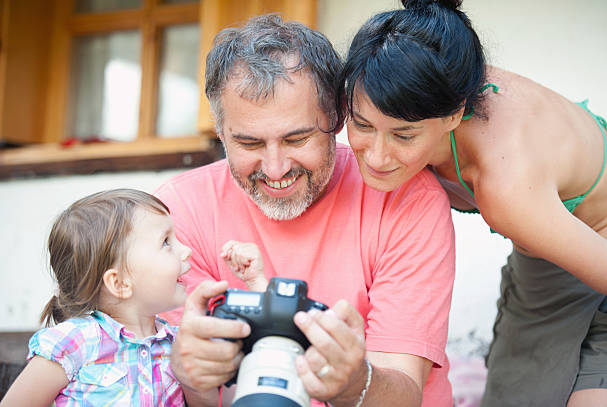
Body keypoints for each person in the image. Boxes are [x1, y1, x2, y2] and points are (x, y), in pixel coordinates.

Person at [154, 13, 455, 407]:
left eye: (297, 138)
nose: (276, 168)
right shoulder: (178, 211)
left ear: (337, 117)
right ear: (220, 132)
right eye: (249, 144)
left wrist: (355, 383)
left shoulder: (406, 199)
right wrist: (192, 378)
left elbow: (403, 392)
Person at [336, 1, 607, 406]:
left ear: (454, 115)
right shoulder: (434, 68)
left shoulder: (506, 186)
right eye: (362, 125)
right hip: (547, 258)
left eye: (404, 136)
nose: (376, 156)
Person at [0, 189, 192, 407]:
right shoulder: (73, 343)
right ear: (119, 282)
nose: (187, 250)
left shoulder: (180, 344)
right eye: (166, 242)